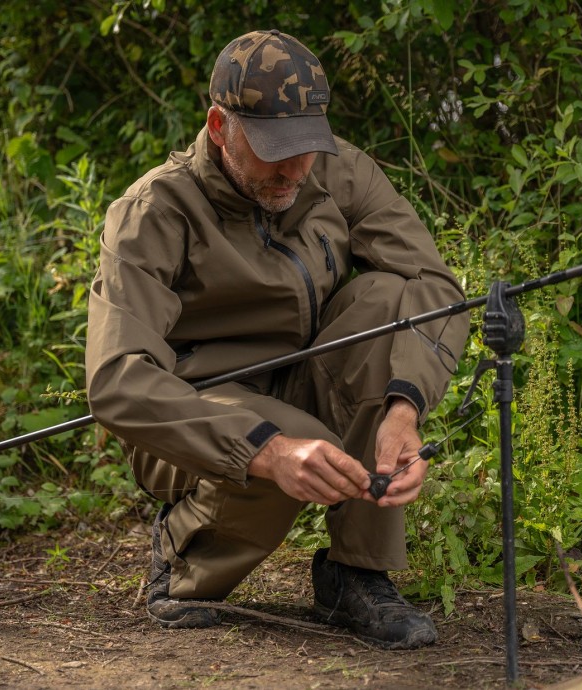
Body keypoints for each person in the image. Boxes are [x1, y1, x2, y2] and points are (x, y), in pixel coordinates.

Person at [85, 29, 470, 650]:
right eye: (274, 150)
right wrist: (269, 452)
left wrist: (404, 407)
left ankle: (355, 574)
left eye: (307, 146)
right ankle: (184, 560)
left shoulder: (338, 172)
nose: (295, 169)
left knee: (387, 300)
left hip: (301, 378)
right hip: (195, 411)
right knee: (283, 437)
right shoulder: (154, 211)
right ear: (219, 127)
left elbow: (434, 285)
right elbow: (116, 378)